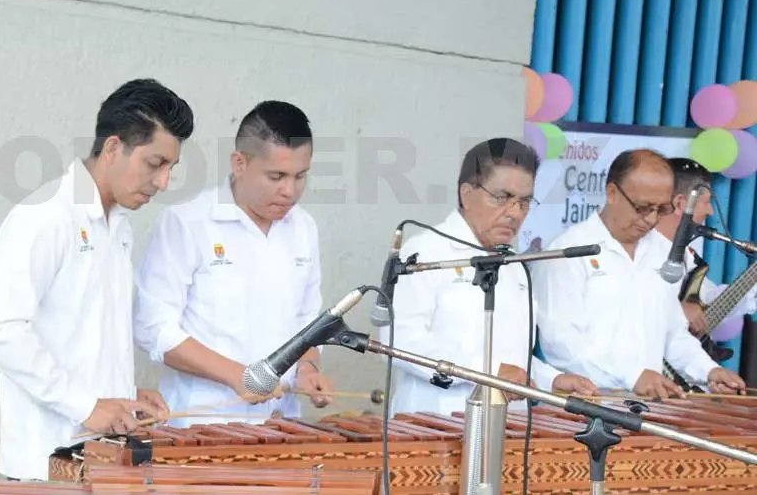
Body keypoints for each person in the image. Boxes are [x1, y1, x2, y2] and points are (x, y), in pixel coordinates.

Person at [0, 78, 194, 481]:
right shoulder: (46, 216)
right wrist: (86, 405)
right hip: (45, 468)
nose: (163, 182)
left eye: (171, 169)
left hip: (101, 464)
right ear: (113, 148)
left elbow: (83, 337)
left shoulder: (119, 227)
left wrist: (125, 395)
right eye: (155, 164)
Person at [133, 100, 335, 427]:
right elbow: (153, 329)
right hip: (202, 425)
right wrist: (238, 377)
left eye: (300, 176)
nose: (290, 191)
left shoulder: (304, 228)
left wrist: (308, 369)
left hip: (281, 423)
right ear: (240, 163)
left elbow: (307, 321)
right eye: (276, 176)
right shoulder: (187, 223)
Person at [381, 139, 597, 416]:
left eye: (524, 202)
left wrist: (550, 379)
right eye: (502, 197)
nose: (515, 213)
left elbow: (512, 358)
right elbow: (399, 340)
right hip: (435, 420)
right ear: (467, 193)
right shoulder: (425, 252)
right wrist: (488, 370)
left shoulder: (514, 264)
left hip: (509, 424)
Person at [534, 149, 746, 399]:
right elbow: (561, 343)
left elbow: (673, 333)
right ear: (612, 193)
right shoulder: (568, 251)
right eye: (642, 208)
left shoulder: (663, 252)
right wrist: (632, 375)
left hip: (649, 406)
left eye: (661, 209)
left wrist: (708, 370)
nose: (651, 219)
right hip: (585, 407)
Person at [657, 158, 757, 338]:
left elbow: (707, 299)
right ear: (681, 204)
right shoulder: (636, 251)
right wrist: (675, 312)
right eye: (706, 202)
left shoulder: (688, 255)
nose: (711, 211)